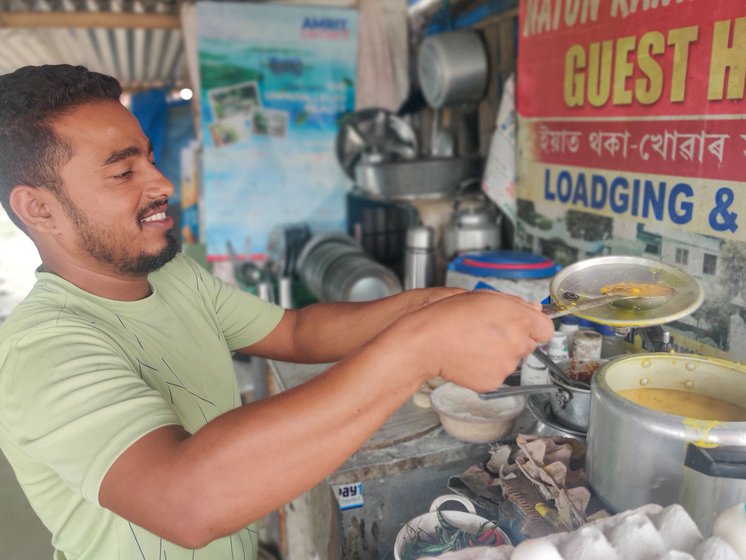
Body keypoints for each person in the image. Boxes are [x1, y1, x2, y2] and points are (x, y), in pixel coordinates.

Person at [0, 64, 554, 560]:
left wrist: (427, 305)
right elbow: (187, 501)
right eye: (123, 173)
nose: (162, 183)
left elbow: (296, 331)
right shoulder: (41, 350)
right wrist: (421, 346)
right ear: (39, 208)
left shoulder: (172, 275)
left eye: (149, 157)